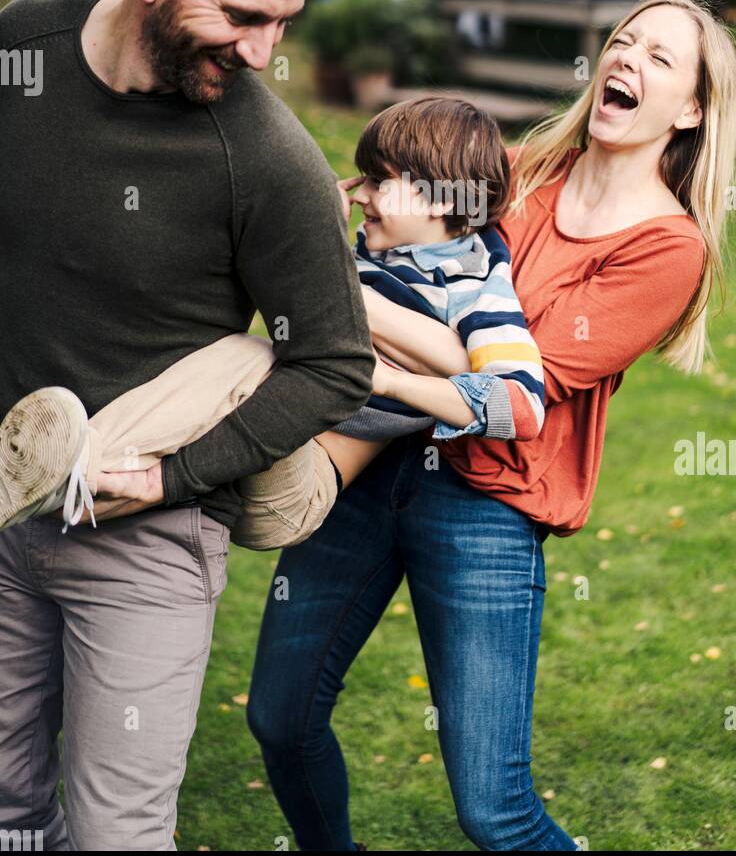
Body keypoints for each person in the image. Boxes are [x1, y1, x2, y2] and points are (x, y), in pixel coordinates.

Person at [245, 0, 736, 851]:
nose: (627, 59)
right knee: (279, 723)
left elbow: (518, 387)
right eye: (623, 42)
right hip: (373, 462)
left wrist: (347, 302)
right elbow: (387, 230)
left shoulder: (669, 249)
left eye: (660, 58)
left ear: (692, 108)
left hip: (486, 505)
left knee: (493, 811)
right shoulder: (512, 176)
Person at [0, 0, 376, 851]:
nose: (263, 51)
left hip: (144, 544)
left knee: (116, 841)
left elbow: (336, 363)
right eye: (243, 16)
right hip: (5, 506)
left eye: (283, 23)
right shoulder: (23, 44)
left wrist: (172, 476)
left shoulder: (265, 156)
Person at [0, 96, 545, 543]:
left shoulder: (475, 284)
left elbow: (521, 407)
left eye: (380, 181)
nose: (364, 195)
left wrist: (388, 381)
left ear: (436, 197)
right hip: (253, 444)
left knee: (256, 358)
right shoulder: (373, 254)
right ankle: (62, 483)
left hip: (301, 488)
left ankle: (63, 460)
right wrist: (310, 219)